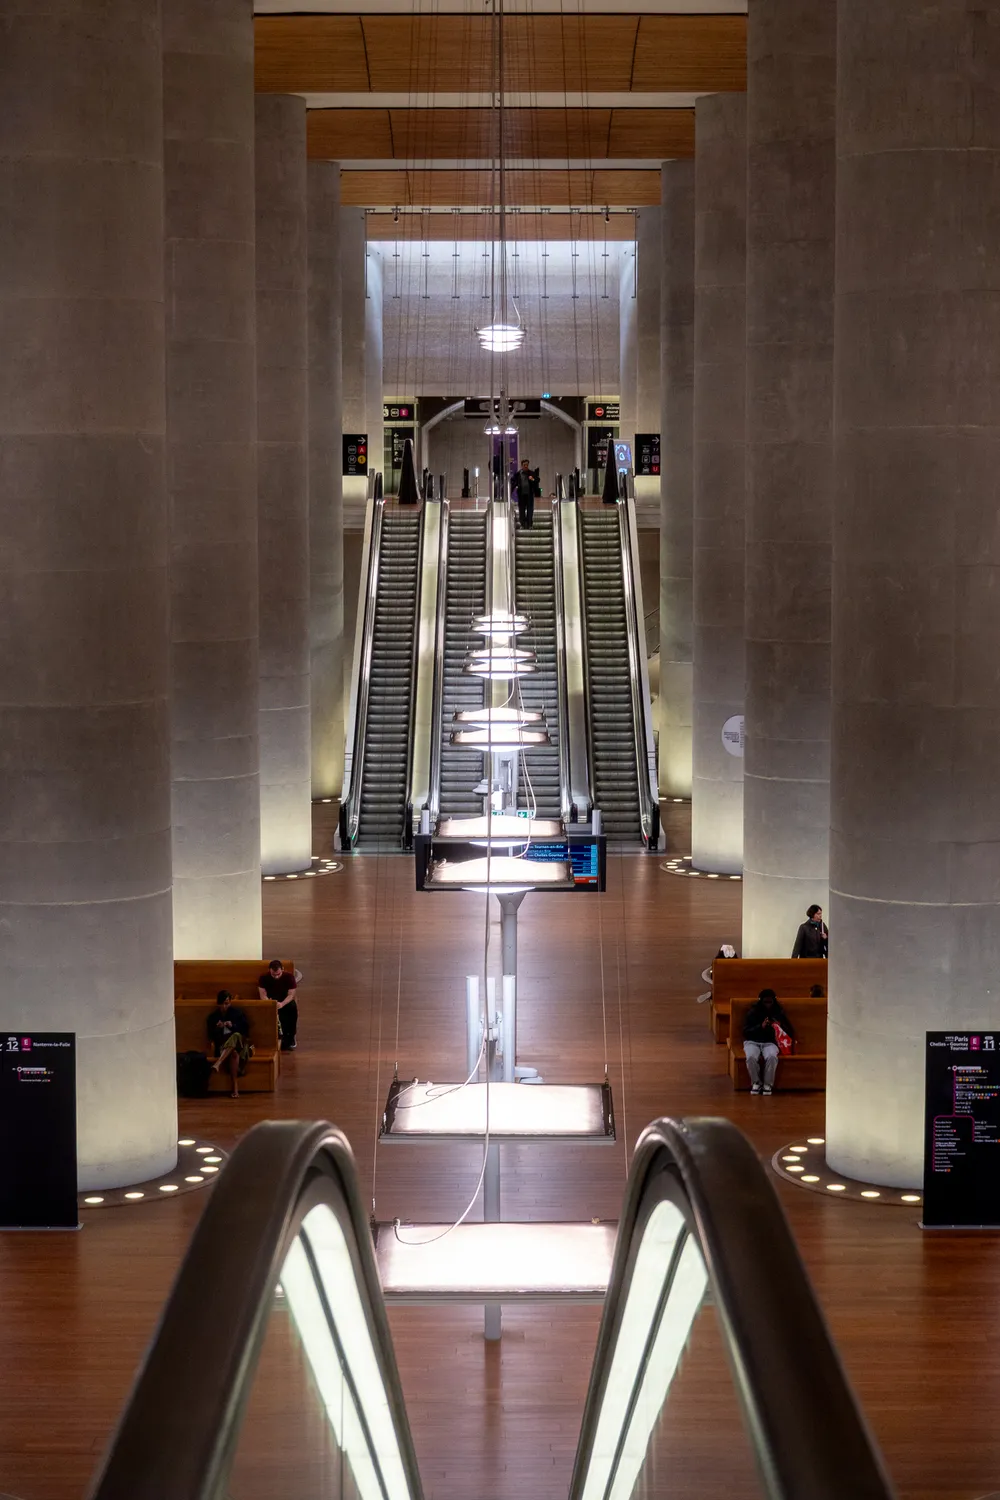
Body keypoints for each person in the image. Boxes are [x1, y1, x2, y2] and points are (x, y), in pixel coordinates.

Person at [742, 988, 795, 1096]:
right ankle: (756, 1083)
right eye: (765, 1002)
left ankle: (768, 1084)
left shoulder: (778, 1012)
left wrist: (780, 1025)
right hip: (752, 1041)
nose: (768, 1005)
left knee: (772, 1057)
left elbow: (790, 1031)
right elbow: (746, 1032)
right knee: (751, 1057)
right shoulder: (753, 1012)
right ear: (761, 1001)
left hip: (770, 1042)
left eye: (770, 1002)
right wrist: (760, 1027)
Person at [206, 991, 252, 1098]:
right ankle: (235, 1087)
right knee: (234, 1053)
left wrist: (232, 1026)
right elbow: (211, 1036)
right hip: (224, 1047)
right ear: (218, 1004)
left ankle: (218, 1063)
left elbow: (245, 1032)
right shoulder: (213, 1017)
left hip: (241, 1046)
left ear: (230, 1003)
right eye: (221, 1004)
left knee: (236, 1035)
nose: (224, 1006)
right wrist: (218, 1028)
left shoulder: (237, 1013)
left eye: (226, 1003)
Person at [258, 959, 304, 1051]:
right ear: (269, 970)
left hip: (284, 1001)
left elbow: (291, 995)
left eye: (278, 974)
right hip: (271, 1001)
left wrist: (282, 1004)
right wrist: (270, 1003)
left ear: (282, 969)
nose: (276, 977)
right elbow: (262, 994)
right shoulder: (263, 978)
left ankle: (291, 1036)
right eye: (273, 975)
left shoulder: (289, 977)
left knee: (292, 1007)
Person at [511, 458, 539, 530]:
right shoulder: (518, 474)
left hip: (529, 495)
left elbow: (537, 480)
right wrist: (511, 491)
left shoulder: (532, 473)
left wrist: (532, 479)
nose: (526, 466)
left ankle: (530, 524)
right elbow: (513, 482)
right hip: (521, 495)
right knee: (522, 510)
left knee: (530, 510)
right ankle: (522, 524)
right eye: (524, 465)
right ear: (522, 465)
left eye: (527, 465)